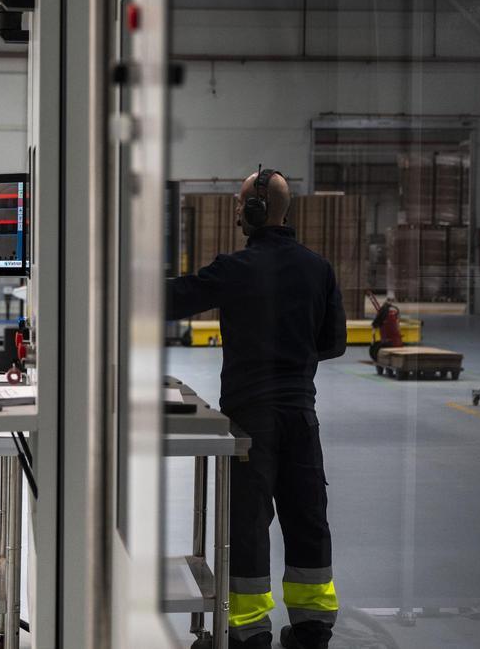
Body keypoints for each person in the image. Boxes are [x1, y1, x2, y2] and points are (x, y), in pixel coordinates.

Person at [166, 168, 347, 649]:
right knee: (307, 515)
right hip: (301, 416)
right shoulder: (318, 268)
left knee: (248, 524)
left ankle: (249, 633)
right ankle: (312, 629)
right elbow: (333, 344)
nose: (236, 210)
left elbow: (174, 298)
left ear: (253, 210)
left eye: (240, 202)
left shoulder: (237, 268)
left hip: (251, 420)